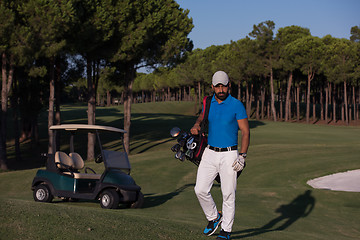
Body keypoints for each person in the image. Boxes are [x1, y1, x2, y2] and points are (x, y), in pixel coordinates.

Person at [191, 70, 250, 240]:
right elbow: (202, 116)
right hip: (209, 152)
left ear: (229, 86)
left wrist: (243, 156)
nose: (221, 89)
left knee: (228, 193)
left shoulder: (236, 104)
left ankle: (226, 231)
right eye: (217, 86)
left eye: (224, 85)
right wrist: (196, 124)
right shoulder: (208, 102)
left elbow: (245, 132)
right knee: (200, 189)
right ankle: (214, 217)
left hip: (230, 154)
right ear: (213, 87)